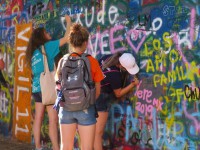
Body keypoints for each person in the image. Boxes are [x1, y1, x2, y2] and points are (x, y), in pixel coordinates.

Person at [25, 15, 71, 150]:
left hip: (37, 89)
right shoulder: (49, 46)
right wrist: (68, 22)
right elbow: (67, 37)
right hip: (48, 88)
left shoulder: (32, 52)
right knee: (53, 120)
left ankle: (38, 147)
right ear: (42, 36)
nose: (49, 33)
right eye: (46, 32)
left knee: (38, 118)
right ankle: (56, 148)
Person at [55, 23, 104, 150]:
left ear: (71, 42)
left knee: (65, 147)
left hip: (66, 109)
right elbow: (97, 91)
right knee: (87, 147)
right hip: (86, 109)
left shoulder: (62, 61)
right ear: (86, 43)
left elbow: (58, 86)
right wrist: (86, 101)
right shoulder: (92, 61)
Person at [94, 52, 140, 150]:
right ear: (122, 67)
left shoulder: (107, 58)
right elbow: (118, 94)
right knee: (98, 133)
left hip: (92, 94)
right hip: (101, 98)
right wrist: (132, 85)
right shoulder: (115, 74)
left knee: (92, 131)